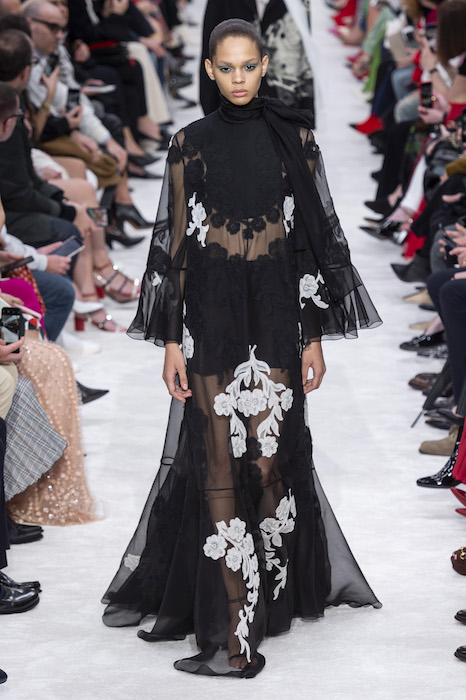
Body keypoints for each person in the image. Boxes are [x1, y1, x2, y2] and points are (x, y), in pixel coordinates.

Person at [102, 19, 382, 678]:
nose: (237, 78)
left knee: (269, 462)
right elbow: (172, 249)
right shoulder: (189, 144)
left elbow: (311, 243)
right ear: (209, 69)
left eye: (248, 66)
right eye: (225, 68)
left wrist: (314, 335)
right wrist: (170, 340)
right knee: (218, 465)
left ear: (264, 66)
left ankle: (271, 601)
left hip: (278, 315)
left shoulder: (296, 141)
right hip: (211, 319)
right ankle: (234, 637)